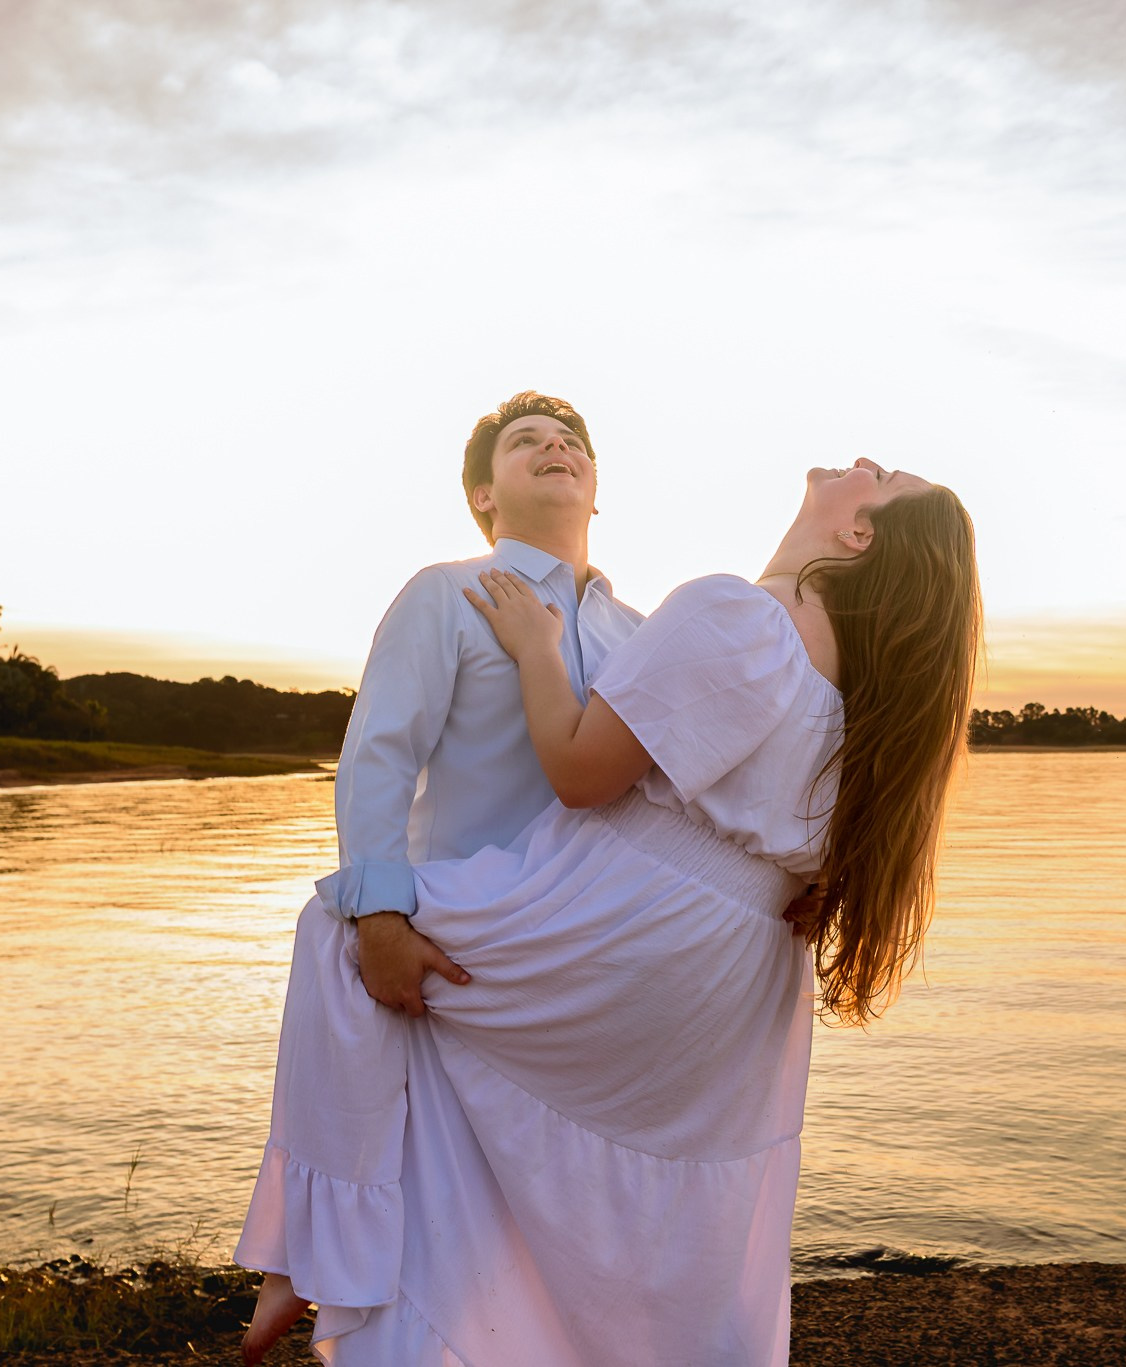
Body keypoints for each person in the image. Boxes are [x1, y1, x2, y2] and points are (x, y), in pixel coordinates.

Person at [237, 457, 980, 1366]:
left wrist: (538, 648)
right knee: (655, 1217)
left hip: (630, 916)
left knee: (344, 930)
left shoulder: (738, 612)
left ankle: (314, 1251)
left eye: (884, 476)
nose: (865, 462)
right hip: (741, 976)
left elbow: (583, 774)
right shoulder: (866, 688)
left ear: (857, 533)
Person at [327, 391, 644, 1016]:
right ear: (484, 495)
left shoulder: (641, 633)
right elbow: (380, 754)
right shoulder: (446, 593)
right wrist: (380, 915)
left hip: (598, 951)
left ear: (595, 490)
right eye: (525, 440)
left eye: (570, 442)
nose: (556, 445)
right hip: (458, 943)